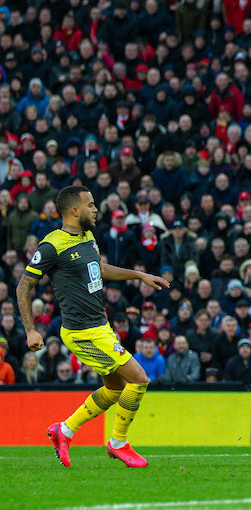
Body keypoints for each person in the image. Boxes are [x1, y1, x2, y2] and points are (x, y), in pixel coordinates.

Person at [27, 186, 170, 468]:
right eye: (90, 205)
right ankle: (118, 442)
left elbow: (100, 269)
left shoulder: (88, 237)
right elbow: (24, 285)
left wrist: (138, 275)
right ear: (74, 210)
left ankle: (64, 430)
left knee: (115, 390)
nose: (95, 209)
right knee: (139, 379)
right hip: (81, 333)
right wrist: (31, 329)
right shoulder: (52, 245)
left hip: (100, 327)